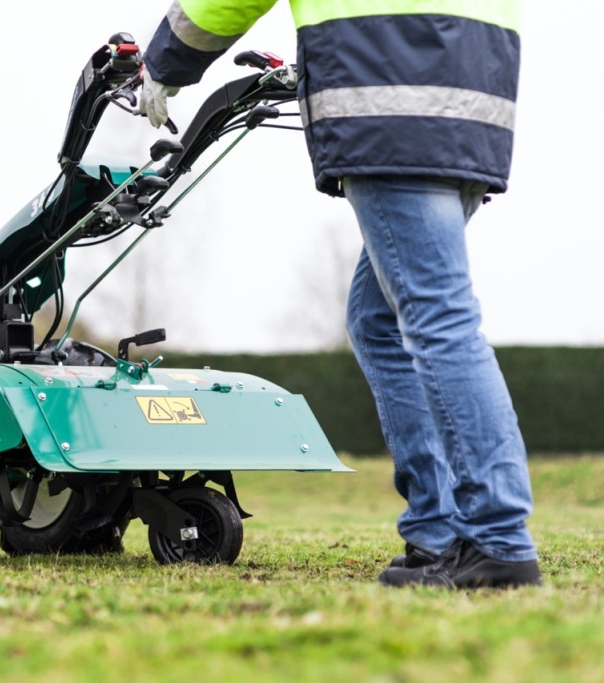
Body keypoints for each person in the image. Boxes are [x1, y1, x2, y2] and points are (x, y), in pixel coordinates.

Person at [138, 0, 541, 589]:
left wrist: (165, 61)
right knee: (377, 320)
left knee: (438, 317)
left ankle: (498, 539)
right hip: (471, 97)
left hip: (389, 93)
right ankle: (436, 531)